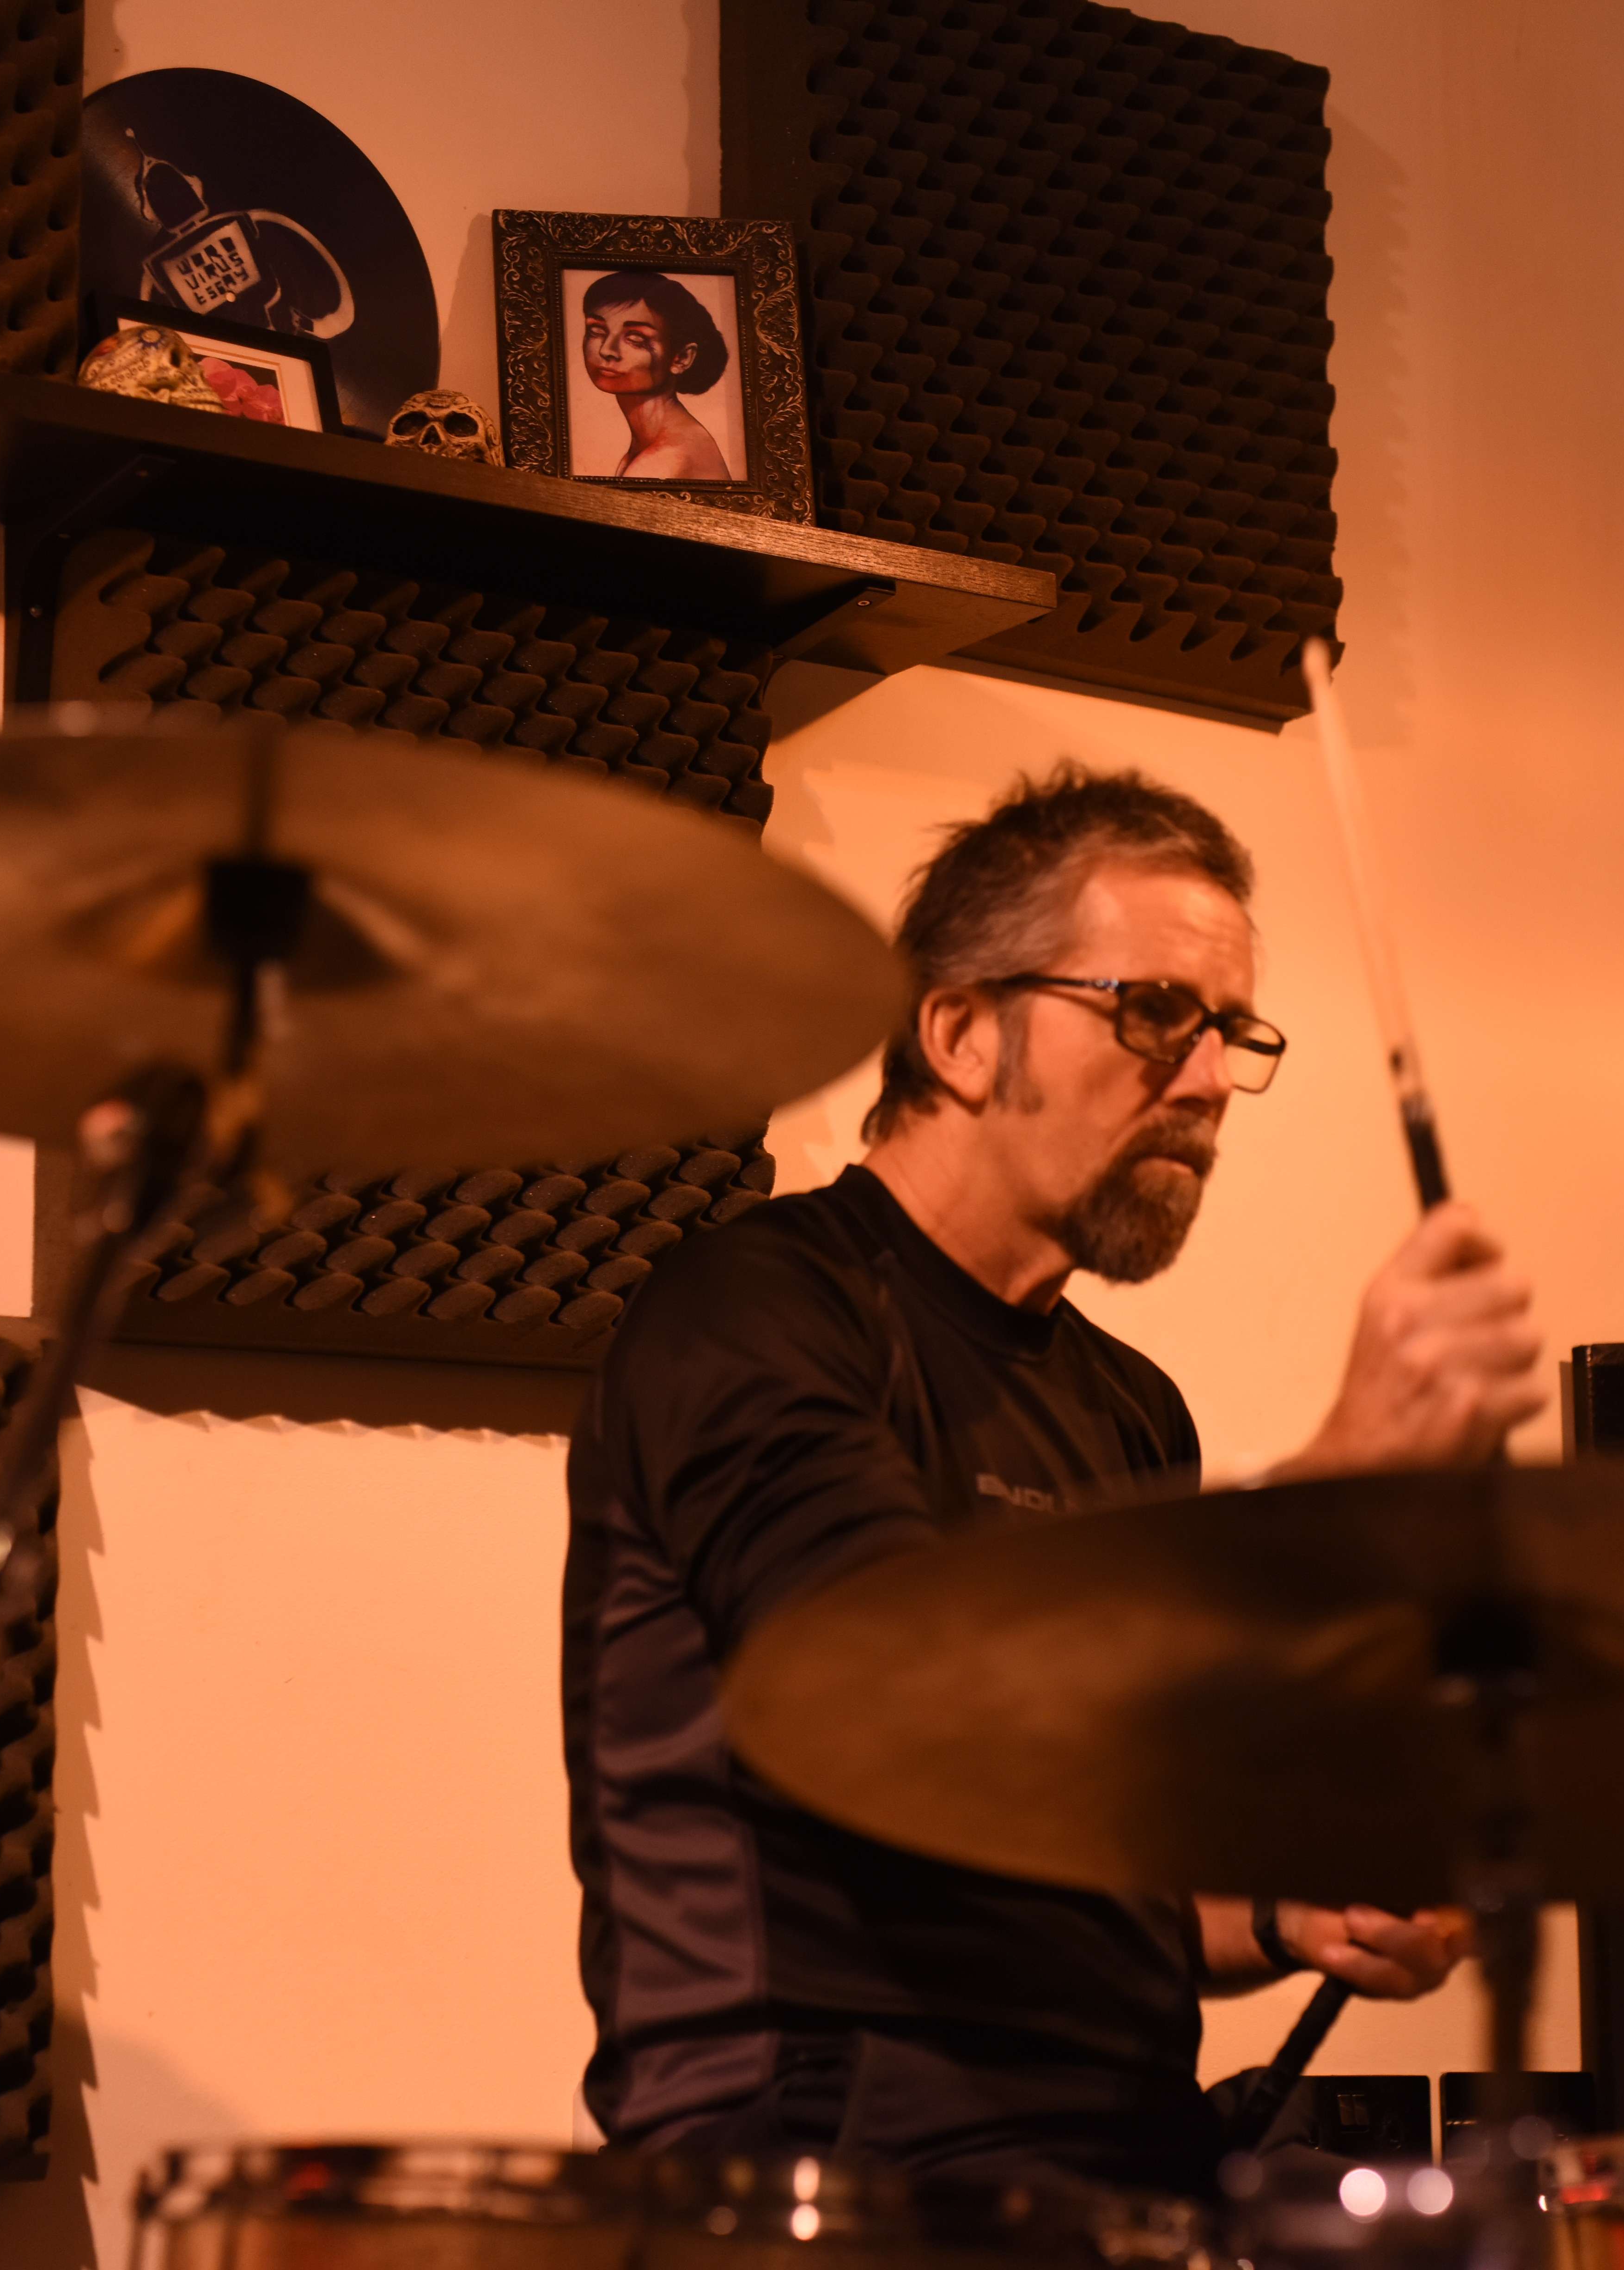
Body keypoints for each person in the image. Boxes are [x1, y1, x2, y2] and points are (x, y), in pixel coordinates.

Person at [561, 766, 1547, 2202]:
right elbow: (904, 1694)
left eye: (1229, 1033)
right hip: (806, 2185)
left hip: (1112, 2174)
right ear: (959, 1032)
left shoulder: (1128, 1410)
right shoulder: (754, 1312)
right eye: (1154, 1013)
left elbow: (1097, 1874)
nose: (1207, 1079)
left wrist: (1288, 1911)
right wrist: (1334, 1476)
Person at [580, 268, 735, 480]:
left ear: (681, 358)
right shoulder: (653, 444)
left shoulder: (666, 459)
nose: (607, 350)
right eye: (596, 331)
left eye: (636, 340)